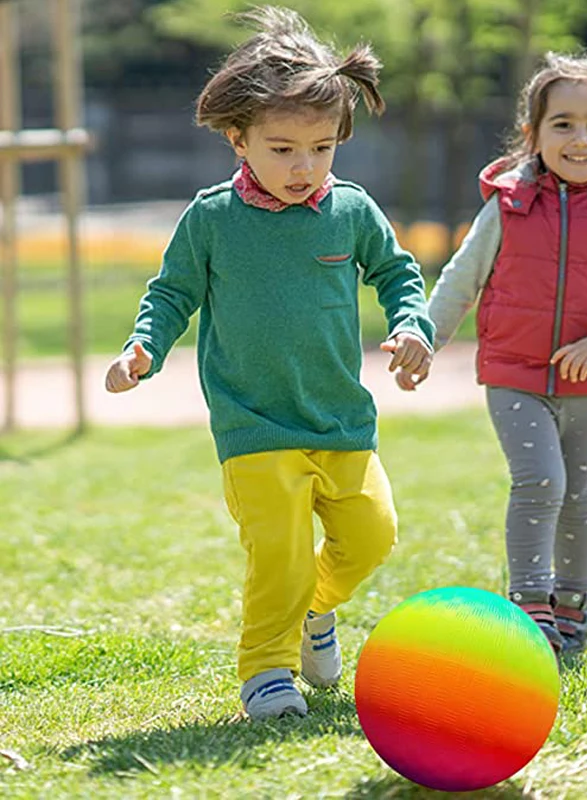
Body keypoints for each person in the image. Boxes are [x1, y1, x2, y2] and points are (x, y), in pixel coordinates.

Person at [104, 6, 434, 719]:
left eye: (321, 148)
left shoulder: (350, 209)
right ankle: (266, 673)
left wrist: (413, 327)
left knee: (372, 537)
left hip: (340, 418)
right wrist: (142, 349)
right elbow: (171, 294)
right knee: (278, 556)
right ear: (238, 139)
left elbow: (400, 275)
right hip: (253, 426)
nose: (304, 166)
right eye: (282, 149)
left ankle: (313, 612)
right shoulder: (212, 218)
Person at [397, 49, 587, 657]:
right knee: (541, 480)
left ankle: (573, 604)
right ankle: (531, 602)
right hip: (515, 373)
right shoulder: (507, 205)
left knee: (579, 492)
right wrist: (424, 335)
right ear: (533, 135)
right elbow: (460, 279)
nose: (580, 138)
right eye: (563, 124)